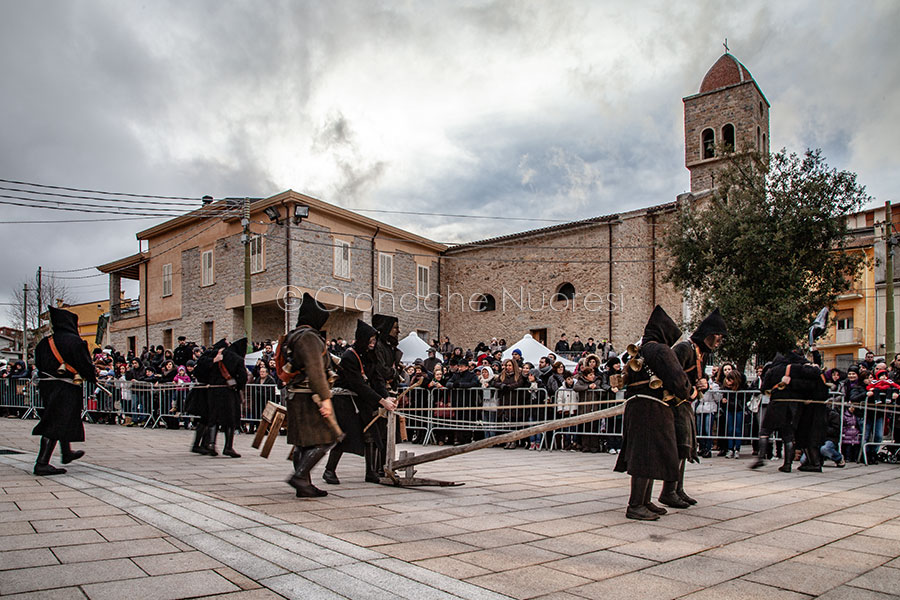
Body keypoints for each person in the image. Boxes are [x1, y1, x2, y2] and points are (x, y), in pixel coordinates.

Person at [615, 306, 691, 521]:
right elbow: (677, 379)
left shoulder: (640, 351)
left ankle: (646, 500)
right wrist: (687, 390)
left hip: (638, 405)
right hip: (652, 407)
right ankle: (636, 504)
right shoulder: (660, 350)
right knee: (646, 455)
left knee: (649, 454)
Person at [278, 293, 341, 497]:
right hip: (308, 397)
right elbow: (315, 370)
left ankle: (304, 484)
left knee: (303, 442)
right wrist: (325, 400)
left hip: (297, 395)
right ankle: (300, 476)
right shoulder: (309, 337)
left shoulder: (294, 335)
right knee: (328, 438)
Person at [663, 308, 727, 508]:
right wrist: (690, 388)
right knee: (680, 447)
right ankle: (668, 491)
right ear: (708, 333)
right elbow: (672, 374)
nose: (719, 341)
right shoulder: (684, 349)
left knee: (686, 447)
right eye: (718, 335)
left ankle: (677, 489)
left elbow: (699, 377)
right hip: (674, 403)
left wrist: (704, 383)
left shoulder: (701, 354)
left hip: (686, 404)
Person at [323, 320, 397, 485]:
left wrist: (386, 396)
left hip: (362, 399)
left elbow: (377, 378)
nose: (373, 344)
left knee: (371, 433)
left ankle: (370, 472)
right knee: (344, 434)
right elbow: (358, 384)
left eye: (374, 341)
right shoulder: (350, 356)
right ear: (363, 339)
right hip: (344, 400)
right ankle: (329, 470)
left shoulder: (370, 355)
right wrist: (381, 401)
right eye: (370, 341)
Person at [32, 307, 97, 476]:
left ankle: (66, 453)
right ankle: (42, 463)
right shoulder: (75, 342)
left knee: (63, 417)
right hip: (66, 387)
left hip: (47, 387)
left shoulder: (44, 343)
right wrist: (91, 377)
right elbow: (85, 366)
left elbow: (38, 364)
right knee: (56, 421)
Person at [752, 348, 826, 472]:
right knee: (788, 435)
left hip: (776, 404)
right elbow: (814, 375)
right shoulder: (798, 369)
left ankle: (761, 458)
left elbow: (764, 388)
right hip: (792, 406)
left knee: (765, 431)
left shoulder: (773, 370)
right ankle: (787, 464)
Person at [195, 338, 248, 458]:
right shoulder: (237, 359)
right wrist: (237, 386)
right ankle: (228, 447)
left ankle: (211, 444)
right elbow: (243, 378)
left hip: (213, 391)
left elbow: (200, 367)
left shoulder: (213, 354)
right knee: (230, 420)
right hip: (229, 392)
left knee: (213, 418)